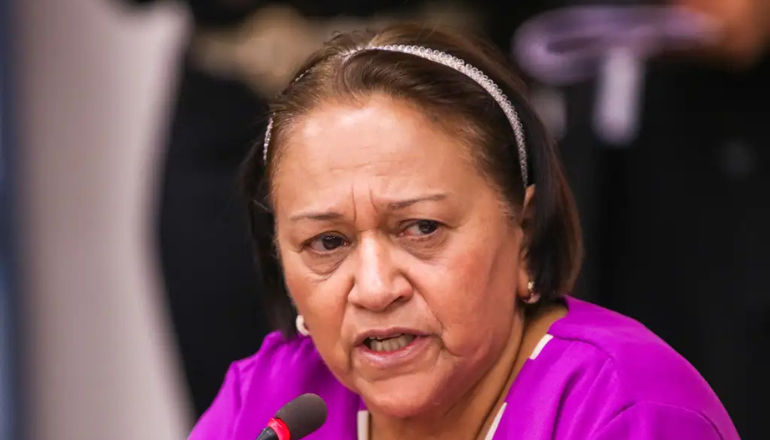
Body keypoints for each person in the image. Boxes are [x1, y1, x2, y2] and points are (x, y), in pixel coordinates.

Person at [188, 24, 739, 440]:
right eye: (327, 243)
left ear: (524, 233)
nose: (375, 289)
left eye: (421, 228)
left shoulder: (627, 412)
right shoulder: (270, 402)